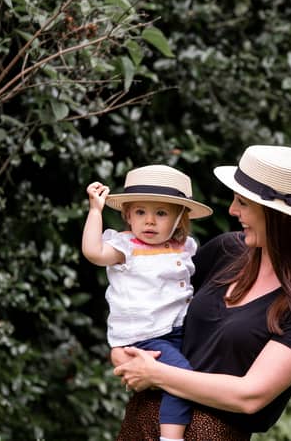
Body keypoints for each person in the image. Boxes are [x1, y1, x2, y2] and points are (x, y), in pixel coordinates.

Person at [112, 145, 291, 440]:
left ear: (277, 214)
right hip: (141, 421)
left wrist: (155, 374)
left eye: (242, 203)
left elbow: (250, 396)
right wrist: (121, 350)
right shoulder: (227, 250)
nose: (232, 211)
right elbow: (148, 298)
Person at [82, 164, 213, 441]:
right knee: (180, 378)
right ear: (128, 215)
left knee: (193, 373)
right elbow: (93, 251)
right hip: (145, 335)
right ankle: (170, 438)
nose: (149, 221)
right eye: (140, 212)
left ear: (180, 218)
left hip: (176, 331)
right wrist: (96, 212)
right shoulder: (126, 248)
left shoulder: (185, 246)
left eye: (161, 213)